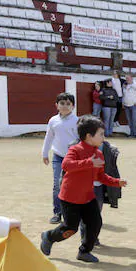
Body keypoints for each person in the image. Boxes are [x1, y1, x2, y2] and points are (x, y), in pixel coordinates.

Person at [39, 116, 128, 263]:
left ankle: (84, 251)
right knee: (70, 228)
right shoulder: (75, 149)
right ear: (88, 136)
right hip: (70, 198)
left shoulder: (99, 154)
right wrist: (89, 162)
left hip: (88, 197)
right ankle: (49, 237)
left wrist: (116, 182)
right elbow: (66, 165)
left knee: (95, 223)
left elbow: (100, 176)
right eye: (100, 134)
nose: (103, 137)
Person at [41, 92, 79, 225]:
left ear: (73, 106)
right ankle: (57, 212)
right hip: (58, 156)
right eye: (62, 103)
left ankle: (74, 212)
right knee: (57, 184)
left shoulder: (77, 121)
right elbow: (49, 137)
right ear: (56, 105)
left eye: (68, 104)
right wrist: (44, 153)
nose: (65, 106)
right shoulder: (53, 120)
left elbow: (81, 140)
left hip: (74, 158)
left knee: (74, 185)